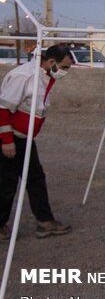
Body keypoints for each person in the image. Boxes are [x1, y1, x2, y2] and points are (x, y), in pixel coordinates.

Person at [0, 44, 73, 241]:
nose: (66, 72)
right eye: (64, 67)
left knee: (35, 178)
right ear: (51, 62)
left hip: (24, 137)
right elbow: (3, 109)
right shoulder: (24, 77)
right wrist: (6, 140)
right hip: (10, 137)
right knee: (7, 182)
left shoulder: (45, 76)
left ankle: (44, 221)